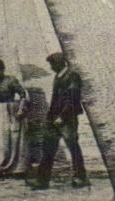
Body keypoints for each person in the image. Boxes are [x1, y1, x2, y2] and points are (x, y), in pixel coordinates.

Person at [34, 51, 89, 189]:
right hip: (54, 118)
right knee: (48, 149)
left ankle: (80, 177)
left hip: (68, 119)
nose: (51, 67)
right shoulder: (58, 76)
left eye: (52, 64)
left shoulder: (72, 77)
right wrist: (50, 116)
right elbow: (55, 99)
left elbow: (72, 100)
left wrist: (62, 117)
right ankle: (42, 180)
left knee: (73, 147)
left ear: (59, 63)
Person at [0, 57, 28, 177]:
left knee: (12, 139)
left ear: (2, 69)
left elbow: (23, 94)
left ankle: (16, 168)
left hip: (11, 111)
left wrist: (21, 109)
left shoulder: (11, 80)